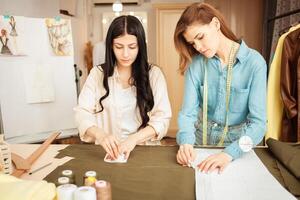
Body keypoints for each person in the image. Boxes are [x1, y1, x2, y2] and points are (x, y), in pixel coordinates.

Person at [174, 3, 266, 173]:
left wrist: (230, 153)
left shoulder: (255, 63)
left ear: (216, 24)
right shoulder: (195, 65)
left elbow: (259, 125)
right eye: (192, 43)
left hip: (238, 146)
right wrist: (186, 142)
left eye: (200, 37)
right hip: (199, 143)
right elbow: (187, 114)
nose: (198, 47)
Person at [74, 15, 172, 160]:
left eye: (132, 47)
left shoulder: (154, 75)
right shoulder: (97, 75)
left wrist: (134, 139)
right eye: (119, 47)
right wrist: (100, 135)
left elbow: (162, 118)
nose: (125, 54)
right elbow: (82, 112)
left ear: (140, 46)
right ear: (111, 46)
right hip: (108, 153)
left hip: (144, 152)